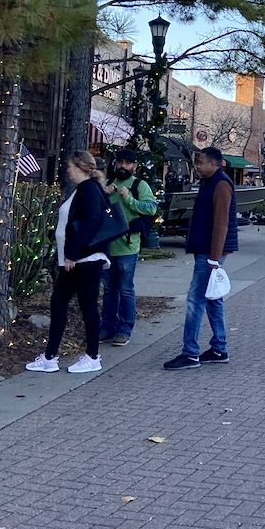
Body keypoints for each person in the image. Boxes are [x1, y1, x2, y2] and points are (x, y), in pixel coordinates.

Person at [26, 152, 110, 374]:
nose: (67, 170)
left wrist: (72, 254)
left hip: (84, 260)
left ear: (81, 167)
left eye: (70, 166)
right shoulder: (85, 189)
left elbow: (90, 222)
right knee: (59, 303)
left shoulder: (88, 189)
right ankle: (49, 357)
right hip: (74, 260)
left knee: (87, 306)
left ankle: (92, 356)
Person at [164, 147, 235, 370]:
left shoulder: (220, 184)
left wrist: (214, 258)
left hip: (209, 253)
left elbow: (221, 223)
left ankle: (190, 353)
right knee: (213, 299)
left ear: (213, 164)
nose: (197, 165)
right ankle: (218, 348)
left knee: (195, 300)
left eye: (201, 162)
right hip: (207, 251)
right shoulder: (210, 182)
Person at [100, 149, 158, 347]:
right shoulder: (107, 185)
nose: (123, 166)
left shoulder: (139, 185)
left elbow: (152, 208)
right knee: (109, 290)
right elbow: (97, 211)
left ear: (134, 166)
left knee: (125, 290)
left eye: (127, 163)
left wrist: (129, 199)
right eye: (120, 162)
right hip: (107, 246)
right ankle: (107, 327)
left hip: (128, 246)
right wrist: (103, 195)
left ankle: (124, 329)